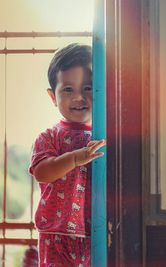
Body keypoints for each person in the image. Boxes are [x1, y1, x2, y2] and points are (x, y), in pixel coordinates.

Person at [29, 43, 106, 266]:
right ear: (53, 96)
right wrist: (74, 158)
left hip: (97, 235)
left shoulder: (103, 137)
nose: (79, 97)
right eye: (68, 89)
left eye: (88, 88)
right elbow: (42, 172)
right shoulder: (49, 137)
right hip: (56, 236)